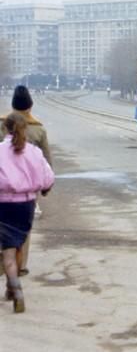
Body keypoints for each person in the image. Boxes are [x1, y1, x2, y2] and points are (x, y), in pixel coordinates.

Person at [0, 113, 55, 313]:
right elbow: (48, 178)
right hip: (26, 206)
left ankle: (17, 290)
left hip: (4, 206)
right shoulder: (33, 152)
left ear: (5, 129)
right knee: (19, 245)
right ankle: (9, 289)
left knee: (7, 251)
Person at [0, 86, 52, 280]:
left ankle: (6, 263)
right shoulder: (38, 130)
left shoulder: (2, 125)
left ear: (12, 106)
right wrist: (46, 187)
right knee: (22, 233)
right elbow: (47, 162)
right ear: (30, 106)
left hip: (2, 192)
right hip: (26, 194)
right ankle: (19, 268)